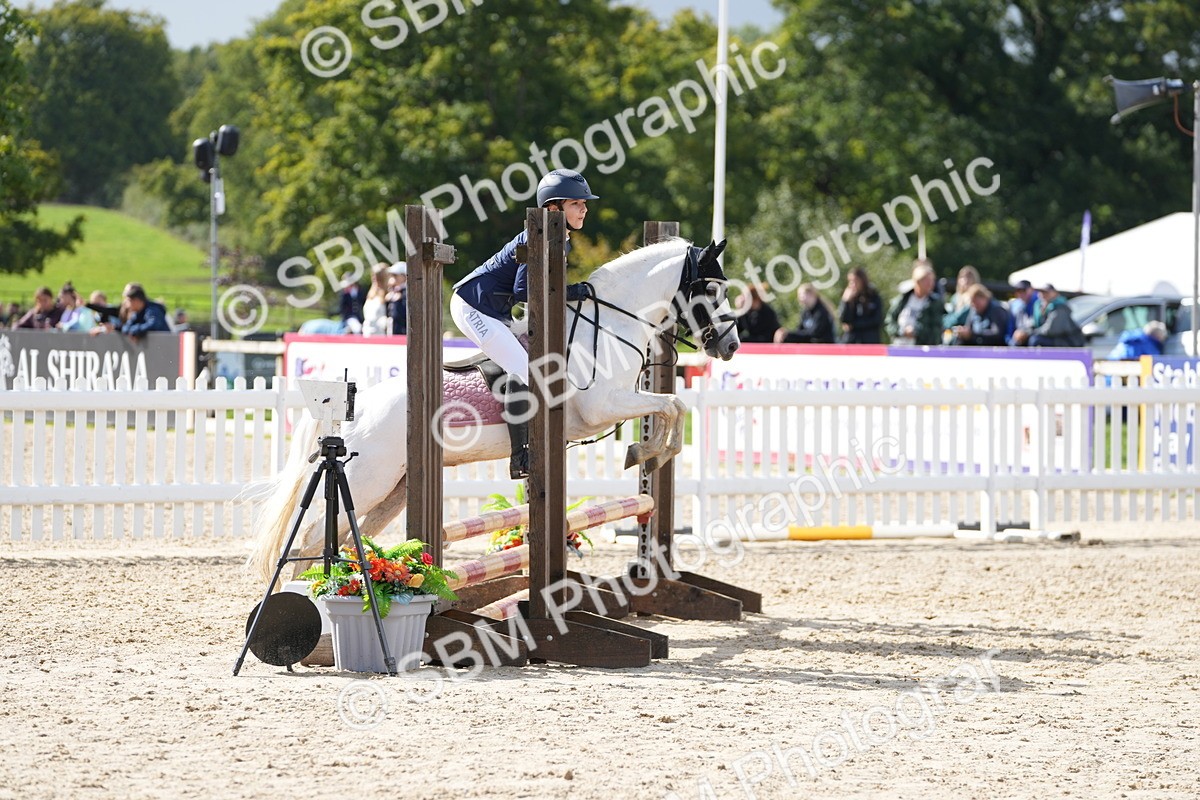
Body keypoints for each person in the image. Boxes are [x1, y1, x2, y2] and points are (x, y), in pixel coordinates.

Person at [450, 168, 598, 478]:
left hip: (494, 309)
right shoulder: (538, 235)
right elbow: (524, 291)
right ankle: (520, 457)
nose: (584, 208)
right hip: (473, 306)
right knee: (524, 370)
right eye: (576, 203)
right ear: (553, 208)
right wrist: (570, 292)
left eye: (584, 203)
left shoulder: (561, 239)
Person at [885, 261, 942, 345]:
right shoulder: (902, 299)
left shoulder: (934, 303)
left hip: (921, 348)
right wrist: (901, 331)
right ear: (918, 282)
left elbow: (936, 329)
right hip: (899, 345)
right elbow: (890, 321)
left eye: (932, 280)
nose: (931, 284)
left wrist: (916, 332)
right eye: (927, 280)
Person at [1018, 284, 1085, 348]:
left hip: (1068, 341)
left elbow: (1050, 330)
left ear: (1055, 293)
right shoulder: (1040, 306)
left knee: (1035, 340)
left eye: (1046, 292)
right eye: (1041, 292)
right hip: (1053, 338)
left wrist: (1029, 333)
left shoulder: (1060, 307)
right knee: (1019, 340)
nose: (1043, 294)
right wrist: (1023, 331)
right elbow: (1033, 323)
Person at [837, 267, 883, 344]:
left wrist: (854, 325)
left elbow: (876, 320)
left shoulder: (873, 296)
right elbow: (844, 319)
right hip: (852, 340)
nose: (853, 284)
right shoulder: (848, 297)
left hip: (869, 341)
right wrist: (846, 302)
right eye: (851, 282)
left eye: (855, 281)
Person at [362, 263, 392, 337]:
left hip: (381, 334)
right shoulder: (371, 293)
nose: (374, 279)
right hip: (368, 332)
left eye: (378, 277)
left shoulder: (388, 293)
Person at [1006, 280, 1039, 345]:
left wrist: (1025, 333)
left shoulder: (1039, 302)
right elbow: (1010, 329)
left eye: (1023, 290)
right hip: (1017, 340)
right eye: (1018, 290)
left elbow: (1038, 325)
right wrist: (1010, 341)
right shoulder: (1014, 305)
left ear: (1031, 290)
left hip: (1033, 337)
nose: (1021, 293)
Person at [386, 262, 407, 335]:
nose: (392, 278)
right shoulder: (393, 291)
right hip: (393, 330)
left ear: (404, 276)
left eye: (395, 275)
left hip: (403, 332)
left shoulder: (407, 292)